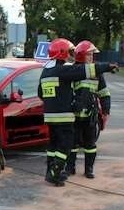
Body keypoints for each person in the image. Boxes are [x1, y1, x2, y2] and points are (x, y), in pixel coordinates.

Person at [38, 38, 117, 186]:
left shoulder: (46, 72)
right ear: (62, 53)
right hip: (65, 116)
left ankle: (50, 171)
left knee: (53, 145)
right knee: (66, 145)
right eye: (68, 51)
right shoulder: (64, 70)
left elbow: (41, 93)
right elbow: (86, 70)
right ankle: (55, 174)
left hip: (50, 116)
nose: (70, 54)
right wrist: (107, 66)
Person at [65, 40, 111, 178]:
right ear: (80, 56)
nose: (92, 57)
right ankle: (70, 167)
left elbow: (104, 93)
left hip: (91, 116)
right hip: (75, 115)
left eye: (92, 55)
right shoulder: (73, 71)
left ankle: (89, 169)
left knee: (90, 144)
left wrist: (106, 111)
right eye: (89, 55)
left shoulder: (97, 73)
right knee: (72, 144)